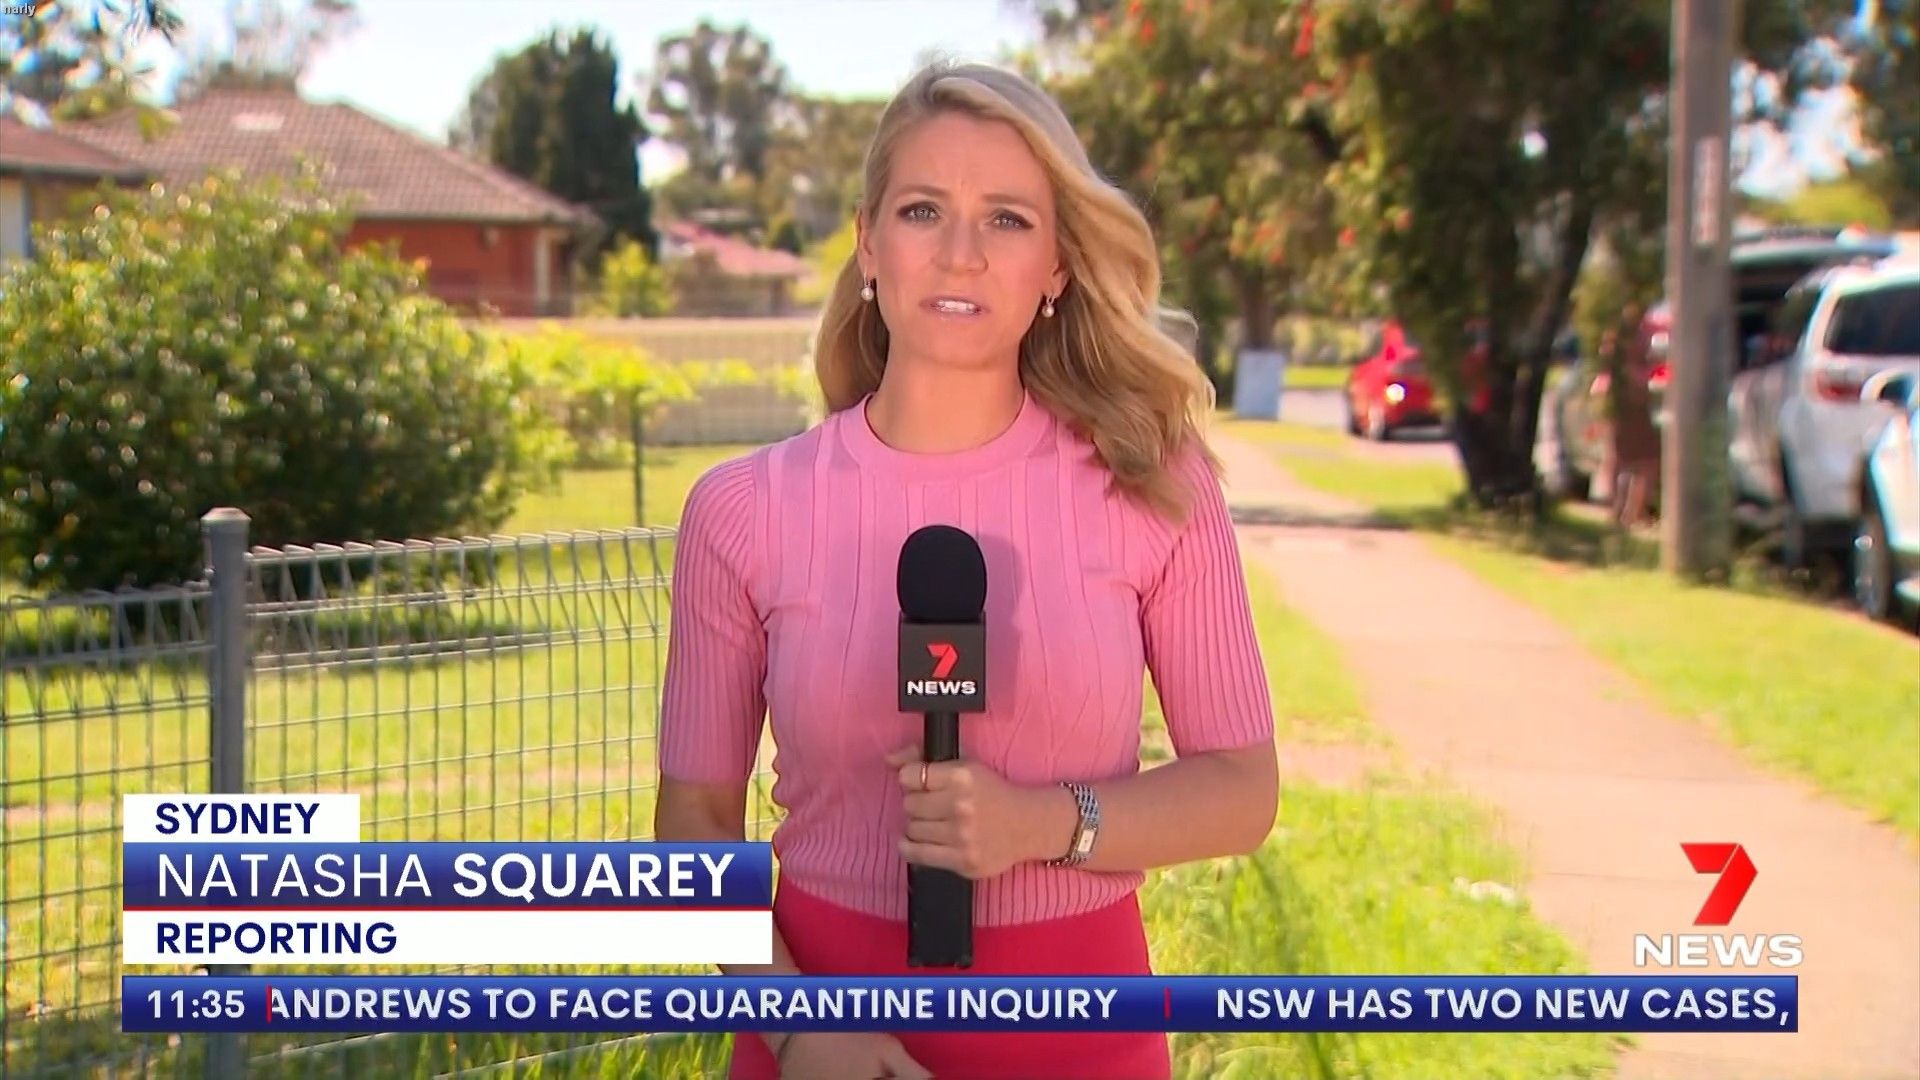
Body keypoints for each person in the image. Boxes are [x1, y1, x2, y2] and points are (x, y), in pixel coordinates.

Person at [653, 60, 1279, 1080]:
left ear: (1058, 266)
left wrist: (1044, 823)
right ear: (868, 243)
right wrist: (801, 1029)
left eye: (1007, 220)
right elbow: (693, 828)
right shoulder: (742, 511)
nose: (960, 254)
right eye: (922, 211)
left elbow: (1243, 793)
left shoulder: (1156, 486)